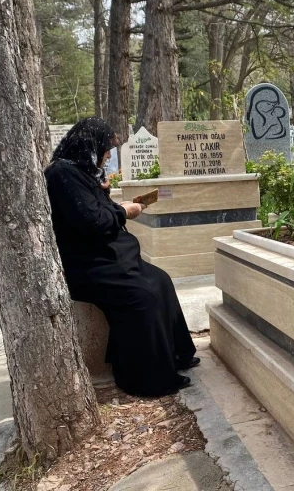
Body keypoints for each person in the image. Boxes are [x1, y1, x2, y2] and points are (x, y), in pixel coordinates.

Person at [45, 117, 198, 397]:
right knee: (144, 296)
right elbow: (91, 222)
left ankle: (177, 355)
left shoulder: (79, 171)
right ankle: (147, 379)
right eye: (105, 149)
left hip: (110, 258)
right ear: (89, 145)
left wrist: (110, 199)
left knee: (161, 280)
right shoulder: (61, 175)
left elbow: (94, 210)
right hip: (90, 265)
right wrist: (124, 212)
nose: (108, 155)